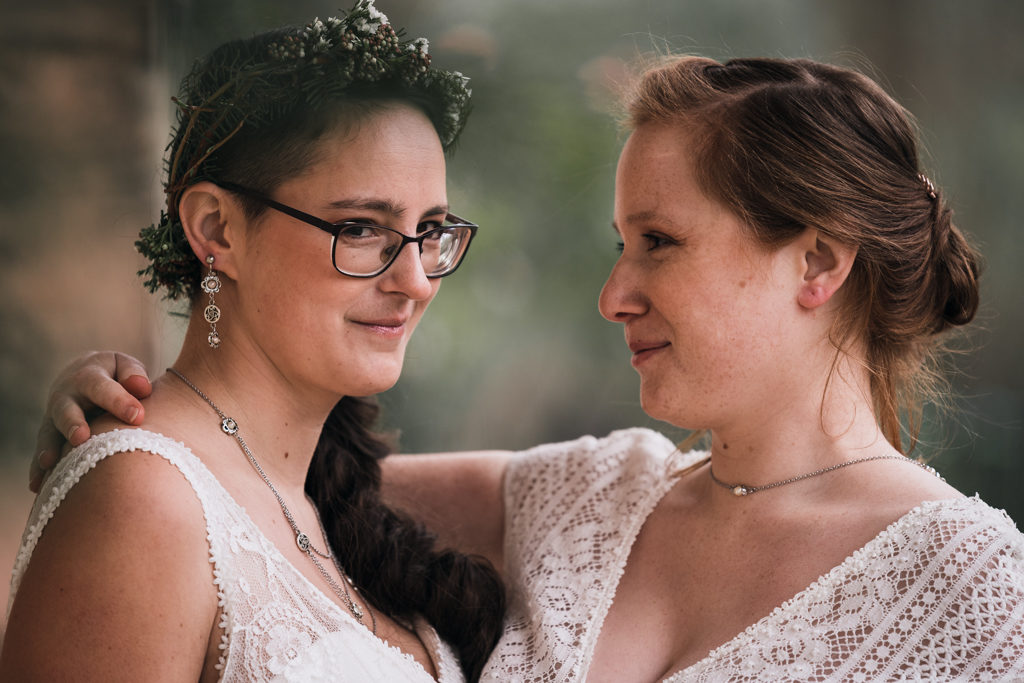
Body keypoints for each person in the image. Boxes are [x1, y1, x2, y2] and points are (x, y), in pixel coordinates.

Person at [25, 56, 1024, 681]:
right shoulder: (588, 496)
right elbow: (236, 490)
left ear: (817, 260)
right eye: (617, 243)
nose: (613, 293)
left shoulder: (979, 593)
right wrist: (116, 416)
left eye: (659, 241)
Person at [2, 2, 505, 681]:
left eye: (431, 231)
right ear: (217, 230)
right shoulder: (142, 496)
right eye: (361, 228)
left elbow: (638, 486)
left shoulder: (325, 496)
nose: (414, 280)